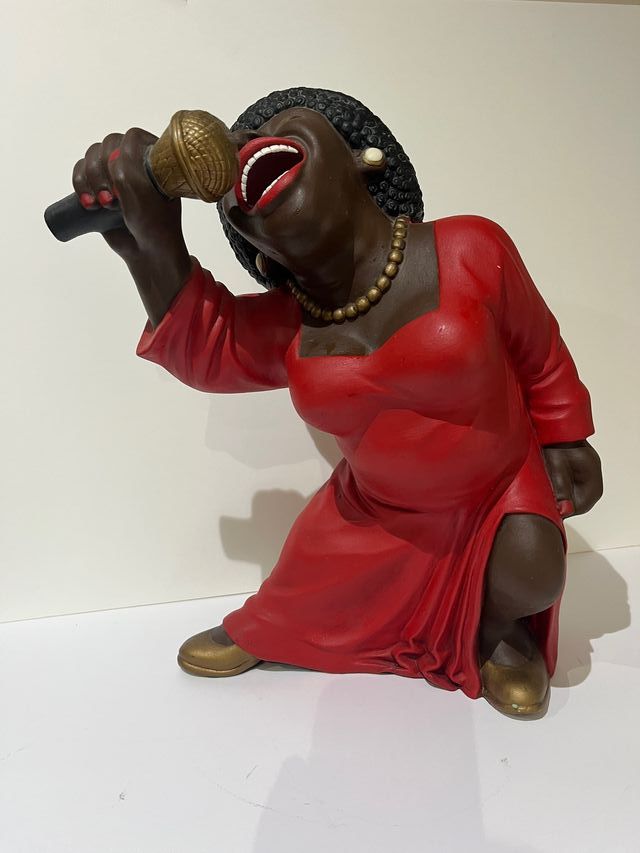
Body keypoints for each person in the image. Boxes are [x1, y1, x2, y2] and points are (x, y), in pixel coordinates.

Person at [72, 87, 602, 718]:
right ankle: (277, 628)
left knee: (533, 571)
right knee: (295, 595)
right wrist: (150, 244)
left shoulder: (469, 248)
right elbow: (207, 346)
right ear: (260, 247)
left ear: (362, 156)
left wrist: (567, 437)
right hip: (375, 515)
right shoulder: (292, 322)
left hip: (497, 492)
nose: (239, 147)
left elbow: (539, 350)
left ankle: (500, 631)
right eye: (229, 193)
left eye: (273, 127)